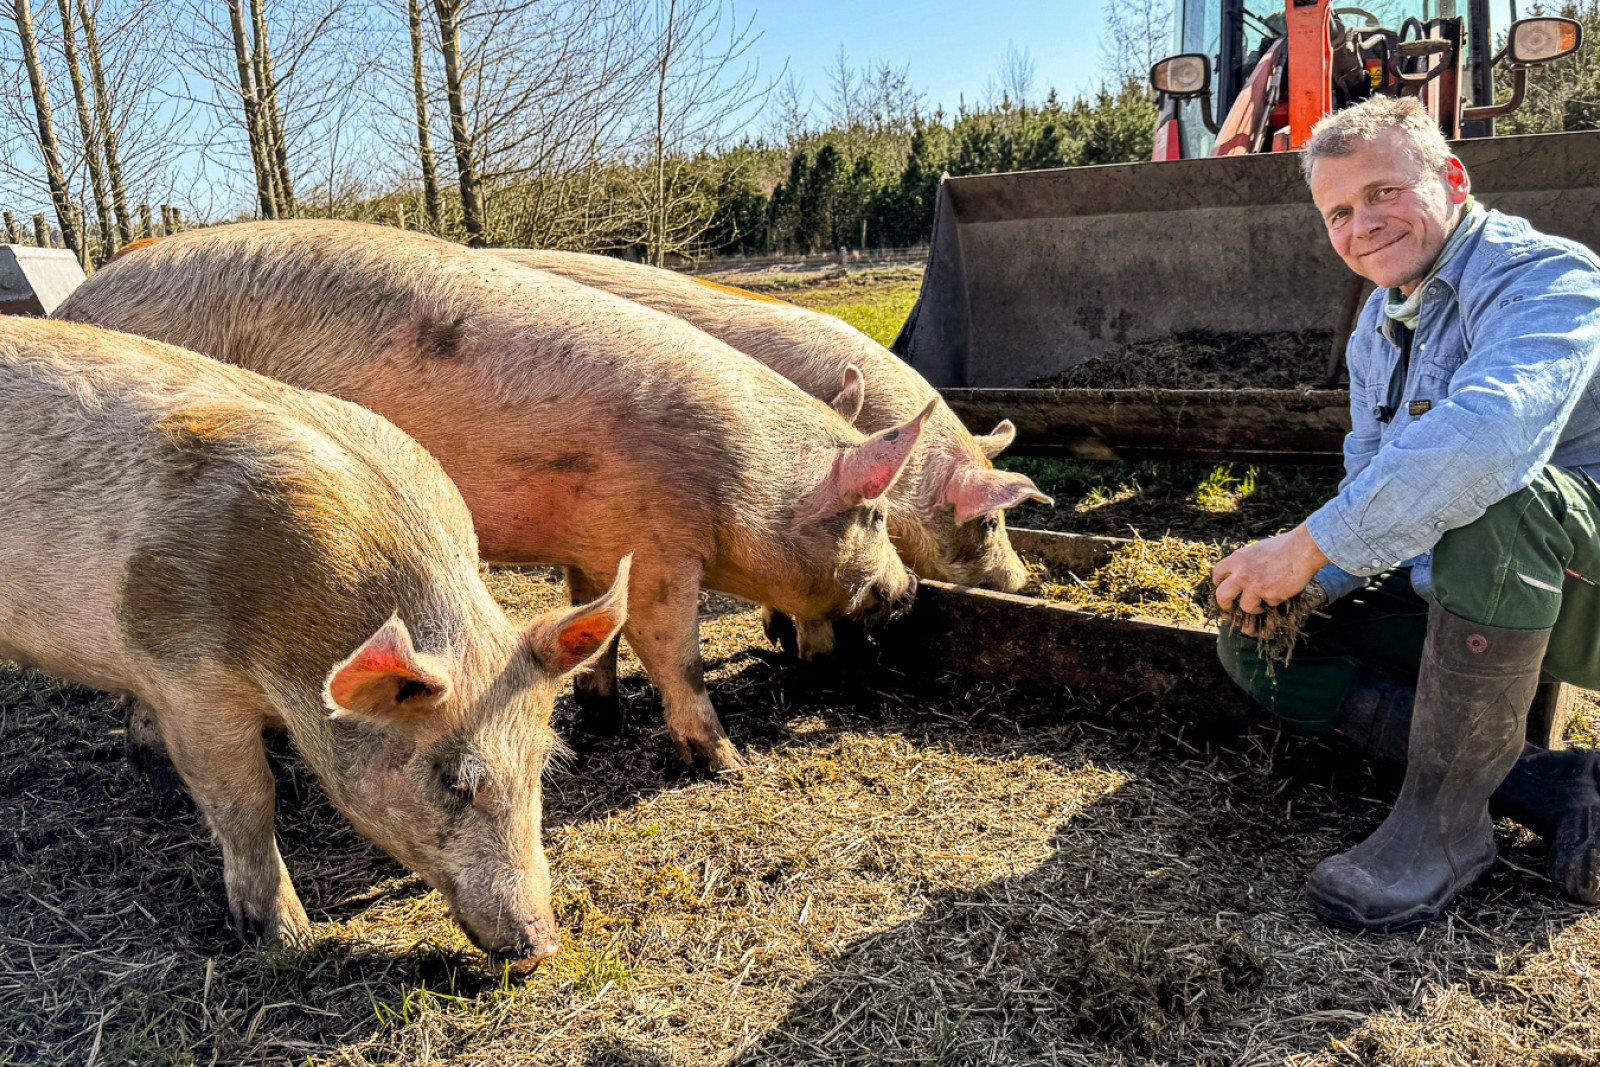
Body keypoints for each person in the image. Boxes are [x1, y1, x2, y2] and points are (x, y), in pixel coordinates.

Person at [1211, 95, 1600, 932]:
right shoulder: (1376, 328)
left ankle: (1444, 825)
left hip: (1581, 592)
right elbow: (1372, 476)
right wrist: (1305, 579)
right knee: (1262, 639)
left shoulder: (1550, 277)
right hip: (1472, 590)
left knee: (1496, 496)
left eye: (1384, 191)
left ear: (1452, 178)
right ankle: (1550, 783)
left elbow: (1489, 440)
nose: (1363, 225)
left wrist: (1309, 543)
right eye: (1339, 213)